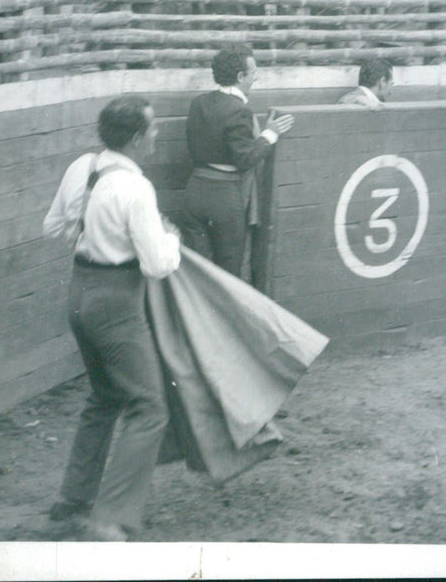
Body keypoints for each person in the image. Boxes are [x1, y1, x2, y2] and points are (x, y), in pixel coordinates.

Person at [43, 97, 181, 541]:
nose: (157, 135)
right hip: (117, 302)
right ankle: (111, 516)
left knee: (104, 397)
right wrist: (171, 239)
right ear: (137, 138)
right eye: (153, 129)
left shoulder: (84, 167)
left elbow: (55, 227)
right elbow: (158, 265)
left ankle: (73, 499)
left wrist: (95, 229)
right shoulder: (137, 189)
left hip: (80, 292)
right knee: (150, 407)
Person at [182, 47, 294, 284]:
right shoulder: (239, 110)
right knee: (228, 273)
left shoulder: (199, 103)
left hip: (194, 190)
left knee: (196, 270)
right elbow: (245, 160)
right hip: (224, 198)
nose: (257, 77)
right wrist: (269, 135)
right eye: (253, 72)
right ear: (241, 77)